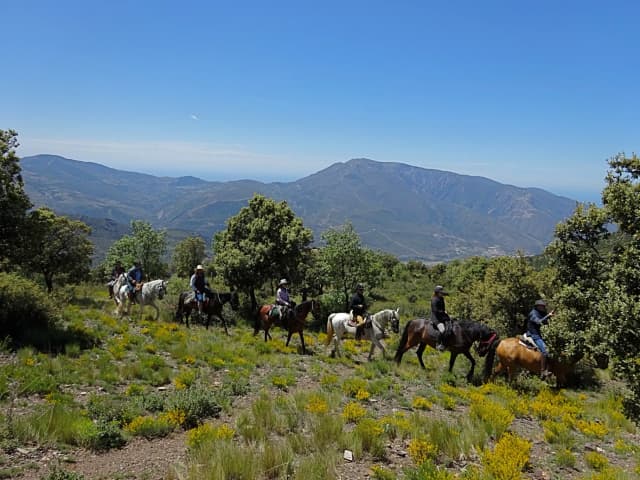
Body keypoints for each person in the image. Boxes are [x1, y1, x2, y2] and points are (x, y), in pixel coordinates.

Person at [527, 299, 555, 378]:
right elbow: (539, 322)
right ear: (537, 306)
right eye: (541, 306)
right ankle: (543, 371)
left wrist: (550, 316)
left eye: (543, 306)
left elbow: (545, 321)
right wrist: (548, 316)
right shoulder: (533, 314)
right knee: (545, 351)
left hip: (541, 334)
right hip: (534, 335)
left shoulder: (541, 313)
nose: (543, 307)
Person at [431, 285, 451, 351]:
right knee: (442, 330)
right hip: (436, 318)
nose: (442, 293)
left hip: (442, 316)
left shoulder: (441, 298)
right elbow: (435, 311)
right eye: (441, 292)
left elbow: (443, 308)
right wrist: (444, 312)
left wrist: (445, 313)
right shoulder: (434, 300)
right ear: (437, 293)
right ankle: (438, 344)